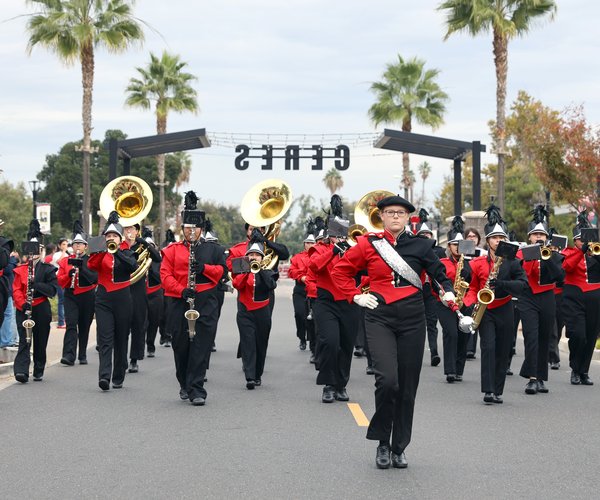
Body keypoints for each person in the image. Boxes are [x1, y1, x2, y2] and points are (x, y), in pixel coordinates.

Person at [331, 194, 456, 469]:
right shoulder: (368, 244)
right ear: (382, 217)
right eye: (390, 212)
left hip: (413, 319)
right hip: (380, 317)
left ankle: (399, 446)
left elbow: (439, 274)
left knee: (408, 387)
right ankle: (382, 443)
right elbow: (340, 270)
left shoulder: (423, 246)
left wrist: (447, 292)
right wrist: (354, 296)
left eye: (400, 212)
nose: (396, 216)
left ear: (408, 217)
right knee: (387, 381)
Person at [160, 192, 228, 406]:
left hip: (206, 302)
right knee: (181, 346)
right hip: (179, 301)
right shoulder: (172, 251)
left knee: (201, 345)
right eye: (188, 228)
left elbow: (222, 271)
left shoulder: (214, 249)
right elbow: (165, 275)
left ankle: (197, 388)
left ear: (201, 229)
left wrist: (204, 268)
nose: (191, 231)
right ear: (182, 230)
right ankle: (184, 383)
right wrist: (181, 290)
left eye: (195, 228)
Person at [462, 205, 528, 405]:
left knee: (503, 349)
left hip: (505, 307)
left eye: (501, 238)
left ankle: (498, 389)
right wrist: (470, 305)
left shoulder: (513, 261)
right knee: (488, 347)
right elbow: (472, 288)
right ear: (488, 241)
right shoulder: (477, 264)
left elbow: (522, 285)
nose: (499, 241)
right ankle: (488, 390)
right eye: (495, 238)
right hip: (486, 310)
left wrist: (503, 284)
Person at [310, 196, 360, 404]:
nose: (338, 237)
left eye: (341, 234)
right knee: (330, 342)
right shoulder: (320, 248)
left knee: (346, 345)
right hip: (326, 301)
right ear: (329, 234)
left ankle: (341, 385)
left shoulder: (353, 250)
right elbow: (314, 267)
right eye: (335, 234)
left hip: (348, 301)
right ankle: (329, 385)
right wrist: (333, 251)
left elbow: (363, 270)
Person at [88, 212, 138, 391]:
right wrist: (102, 249)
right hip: (103, 298)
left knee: (121, 338)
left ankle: (118, 375)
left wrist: (117, 251)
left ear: (120, 238)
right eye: (108, 236)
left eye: (114, 236)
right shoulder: (100, 252)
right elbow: (91, 266)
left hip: (123, 298)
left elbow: (132, 266)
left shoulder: (127, 251)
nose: (111, 238)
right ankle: (104, 376)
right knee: (105, 337)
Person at [517, 206, 564, 394]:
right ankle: (532, 378)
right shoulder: (521, 254)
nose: (538, 237)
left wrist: (548, 257)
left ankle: (541, 377)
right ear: (529, 237)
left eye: (541, 234)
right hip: (528, 296)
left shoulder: (554, 255)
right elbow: (521, 273)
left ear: (546, 237)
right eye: (535, 234)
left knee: (545, 337)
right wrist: (532, 255)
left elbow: (559, 277)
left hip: (547, 296)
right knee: (531, 336)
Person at [13, 220, 58, 383]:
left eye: (36, 250)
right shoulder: (20, 269)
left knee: (40, 340)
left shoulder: (48, 269)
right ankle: (21, 371)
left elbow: (52, 290)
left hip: (41, 307)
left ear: (41, 250)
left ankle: (39, 368)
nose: (33, 254)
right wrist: (22, 303)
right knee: (24, 340)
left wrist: (37, 285)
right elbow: (16, 289)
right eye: (30, 251)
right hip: (24, 308)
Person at [232, 237, 278, 389]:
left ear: (262, 257)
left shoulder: (268, 270)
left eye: (257, 255)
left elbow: (271, 285)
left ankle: (258, 374)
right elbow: (237, 284)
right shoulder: (241, 269)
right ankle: (250, 377)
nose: (253, 257)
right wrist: (246, 270)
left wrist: (262, 270)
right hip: (245, 312)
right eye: (251, 254)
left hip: (262, 311)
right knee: (248, 343)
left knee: (260, 344)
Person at [561, 210, 600, 386]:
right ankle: (575, 368)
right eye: (581, 240)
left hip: (595, 297)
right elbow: (567, 268)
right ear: (575, 240)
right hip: (574, 297)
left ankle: (583, 371)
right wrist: (581, 252)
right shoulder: (568, 252)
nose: (585, 242)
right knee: (578, 335)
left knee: (591, 335)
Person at [436, 216, 472, 383]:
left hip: (464, 302)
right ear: (449, 246)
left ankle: (459, 369)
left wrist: (468, 273)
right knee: (451, 333)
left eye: (460, 244)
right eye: (454, 244)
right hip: (445, 303)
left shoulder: (468, 262)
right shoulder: (442, 262)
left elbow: (473, 282)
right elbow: (435, 282)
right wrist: (444, 295)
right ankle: (450, 370)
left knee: (463, 335)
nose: (457, 247)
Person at [57, 221, 97, 366]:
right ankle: (69, 355)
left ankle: (82, 354)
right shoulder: (65, 261)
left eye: (81, 244)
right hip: (71, 295)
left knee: (84, 325)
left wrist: (82, 269)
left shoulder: (91, 261)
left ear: (86, 246)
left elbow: (94, 279)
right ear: (72, 246)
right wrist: (70, 274)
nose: (78, 246)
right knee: (71, 324)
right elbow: (60, 281)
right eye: (75, 243)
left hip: (87, 295)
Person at [123, 223, 161, 373]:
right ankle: (121, 359)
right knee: (122, 327)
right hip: (122, 288)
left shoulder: (142, 247)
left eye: (131, 229)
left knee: (138, 325)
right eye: (126, 229)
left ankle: (134, 360)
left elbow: (157, 258)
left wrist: (145, 243)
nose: (128, 231)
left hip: (138, 289)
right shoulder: (118, 246)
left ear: (137, 231)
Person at [413, 209, 444, 367]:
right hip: (416, 291)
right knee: (416, 324)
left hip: (430, 290)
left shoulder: (438, 251)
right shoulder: (414, 250)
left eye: (428, 235)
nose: (426, 237)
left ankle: (434, 353)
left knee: (432, 323)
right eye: (422, 235)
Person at [287, 220, 316, 351]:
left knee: (312, 317)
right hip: (300, 289)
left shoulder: (319, 255)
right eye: (308, 243)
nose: (309, 245)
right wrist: (301, 277)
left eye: (312, 243)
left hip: (314, 289)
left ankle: (312, 340)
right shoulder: (297, 257)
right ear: (304, 244)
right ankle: (302, 338)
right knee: (299, 314)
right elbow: (291, 271)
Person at [464, 227, 485, 359]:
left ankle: (470, 348)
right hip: (464, 288)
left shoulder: (483, 253)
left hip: (477, 289)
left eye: (474, 236)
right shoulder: (462, 252)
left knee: (475, 316)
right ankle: (463, 346)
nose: (472, 238)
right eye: (469, 236)